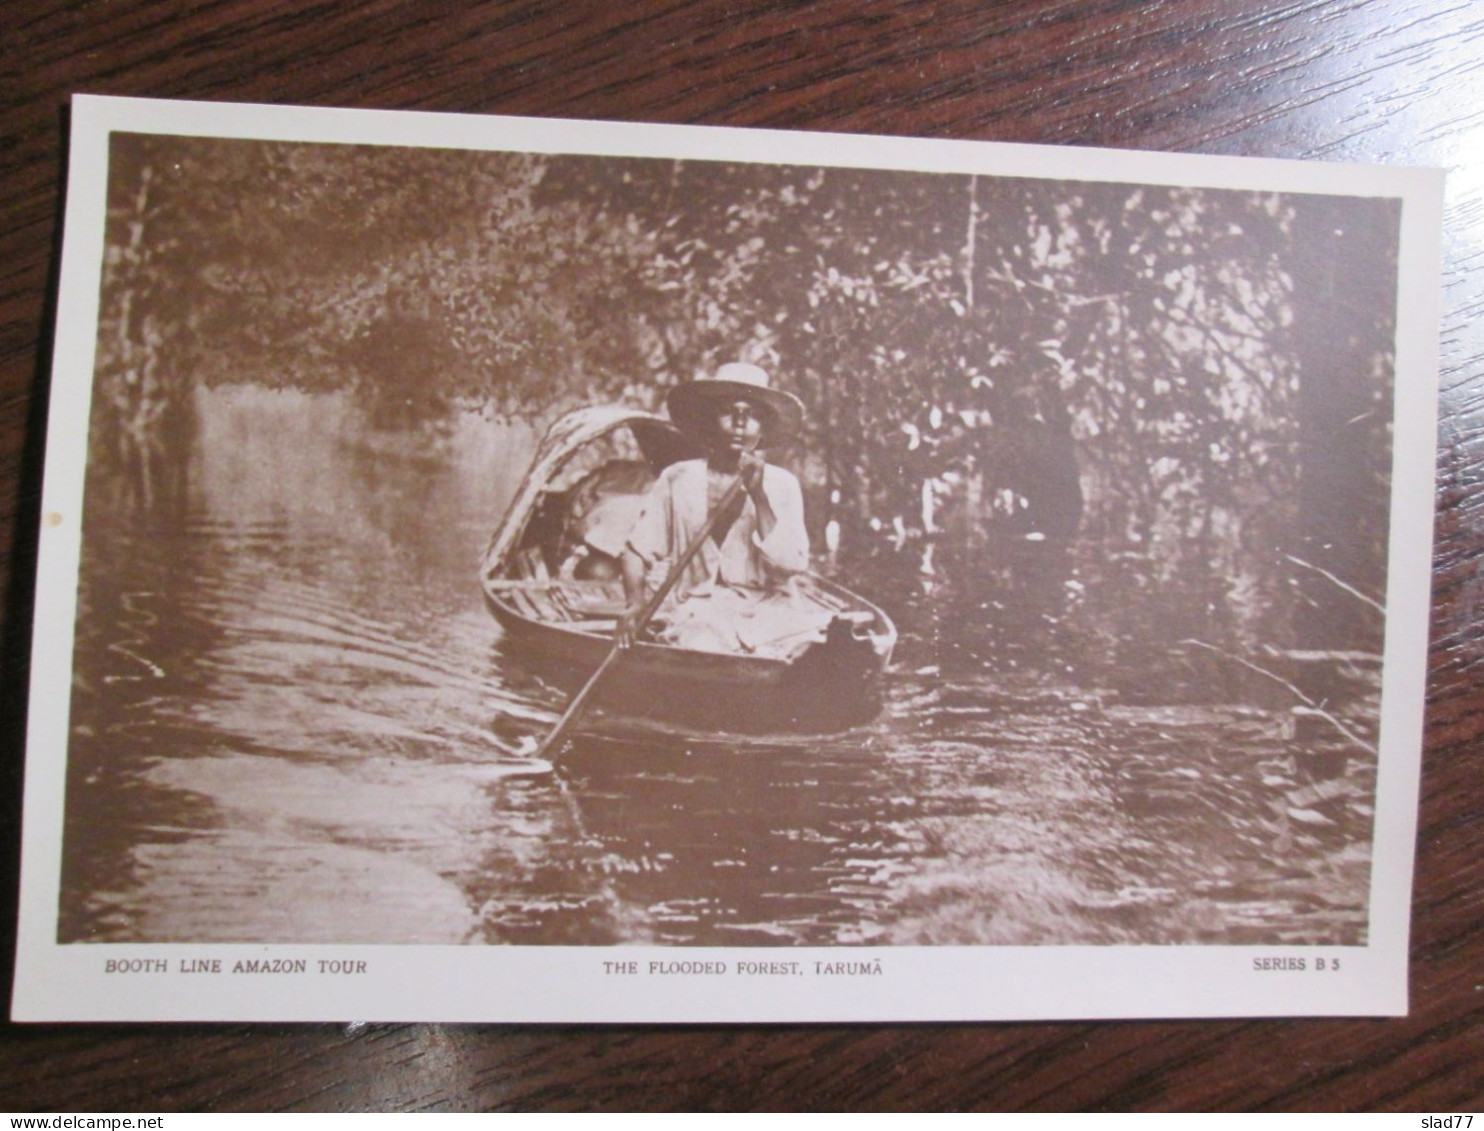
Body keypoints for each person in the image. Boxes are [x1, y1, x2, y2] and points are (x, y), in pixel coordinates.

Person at [616, 362, 830, 657]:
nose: (740, 424)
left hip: (770, 614)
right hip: (698, 612)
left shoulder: (783, 485)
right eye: (729, 412)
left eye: (752, 415)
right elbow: (636, 551)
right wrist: (635, 604)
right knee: (705, 649)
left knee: (814, 649)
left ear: (764, 428)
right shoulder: (678, 478)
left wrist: (759, 497)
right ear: (709, 420)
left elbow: (790, 564)